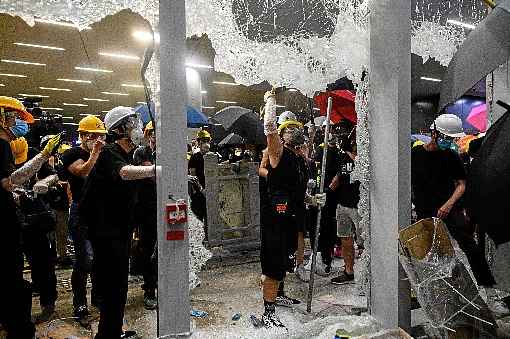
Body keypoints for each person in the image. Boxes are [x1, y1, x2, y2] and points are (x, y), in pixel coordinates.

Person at [79, 106, 155, 339]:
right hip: (105, 231)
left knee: (118, 287)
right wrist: (156, 170)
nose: (138, 128)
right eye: (133, 123)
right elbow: (123, 173)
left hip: (119, 229)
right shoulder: (109, 152)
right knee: (114, 288)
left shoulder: (126, 154)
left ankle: (112, 331)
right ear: (120, 129)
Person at [260, 89, 326, 329]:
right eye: (288, 128)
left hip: (292, 216)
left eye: (296, 127)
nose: (293, 130)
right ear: (282, 134)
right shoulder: (278, 152)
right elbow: (268, 126)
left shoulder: (301, 159)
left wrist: (312, 200)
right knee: (273, 266)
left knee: (285, 262)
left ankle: (279, 295)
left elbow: (298, 192)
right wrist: (270, 100)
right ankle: (268, 312)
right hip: (276, 218)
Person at [0, 96, 62, 339]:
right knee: (12, 278)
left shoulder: (27, 147)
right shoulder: (3, 146)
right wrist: (42, 158)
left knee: (42, 264)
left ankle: (46, 304)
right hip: (10, 220)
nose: (19, 124)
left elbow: (52, 176)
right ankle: (16, 322)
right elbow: (9, 181)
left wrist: (42, 180)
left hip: (32, 217)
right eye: (14, 117)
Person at [411, 114, 495, 289]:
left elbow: (462, 185)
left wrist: (448, 204)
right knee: (428, 251)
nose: (449, 142)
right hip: (424, 210)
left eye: (452, 138)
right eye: (446, 137)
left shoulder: (451, 156)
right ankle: (434, 288)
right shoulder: (415, 155)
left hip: (450, 208)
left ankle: (488, 287)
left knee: (470, 246)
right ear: (434, 133)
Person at [61, 115, 107, 323]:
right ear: (83, 135)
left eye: (100, 136)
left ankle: (98, 296)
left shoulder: (103, 154)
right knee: (84, 259)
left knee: (100, 258)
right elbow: (81, 172)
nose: (97, 139)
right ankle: (79, 301)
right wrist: (95, 153)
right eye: (94, 135)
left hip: (100, 212)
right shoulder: (73, 154)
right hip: (81, 213)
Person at [330, 129, 360, 285]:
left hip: (361, 206)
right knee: (345, 238)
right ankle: (349, 271)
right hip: (343, 204)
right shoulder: (342, 157)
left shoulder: (366, 157)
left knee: (364, 241)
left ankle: (369, 274)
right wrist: (325, 192)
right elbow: (338, 177)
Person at [133, 121, 157, 310]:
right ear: (148, 135)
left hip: (166, 207)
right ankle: (150, 289)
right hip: (145, 209)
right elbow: (153, 175)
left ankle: (168, 286)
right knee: (148, 250)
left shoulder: (172, 152)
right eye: (153, 133)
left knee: (169, 248)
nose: (156, 136)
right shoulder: (141, 153)